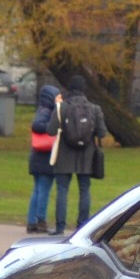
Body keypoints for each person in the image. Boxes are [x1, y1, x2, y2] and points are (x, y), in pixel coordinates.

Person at [46, 75, 107, 235]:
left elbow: (50, 130)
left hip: (64, 155)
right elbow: (102, 132)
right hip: (86, 156)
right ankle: (82, 227)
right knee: (84, 190)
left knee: (62, 190)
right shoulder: (94, 108)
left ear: (69, 89)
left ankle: (60, 227)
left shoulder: (62, 107)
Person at [26, 84, 60, 234]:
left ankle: (32, 221)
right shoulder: (47, 112)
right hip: (45, 158)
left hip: (37, 158)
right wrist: (52, 127)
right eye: (57, 96)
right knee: (43, 190)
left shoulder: (42, 110)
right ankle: (40, 220)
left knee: (38, 190)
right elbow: (37, 126)